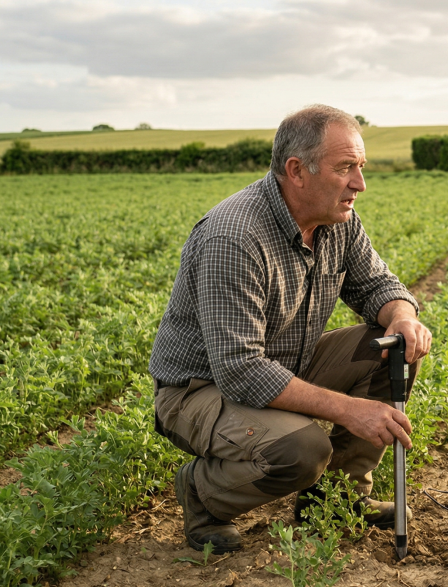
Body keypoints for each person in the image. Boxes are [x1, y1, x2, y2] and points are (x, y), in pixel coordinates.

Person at [149, 105, 432, 554]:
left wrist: (402, 316)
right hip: (201, 389)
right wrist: (349, 409)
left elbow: (378, 285)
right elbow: (240, 369)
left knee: (391, 346)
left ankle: (334, 499)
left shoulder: (336, 221)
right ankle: (202, 495)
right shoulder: (234, 236)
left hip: (283, 363)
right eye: (345, 168)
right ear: (297, 171)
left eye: (360, 166)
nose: (360, 183)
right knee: (302, 450)